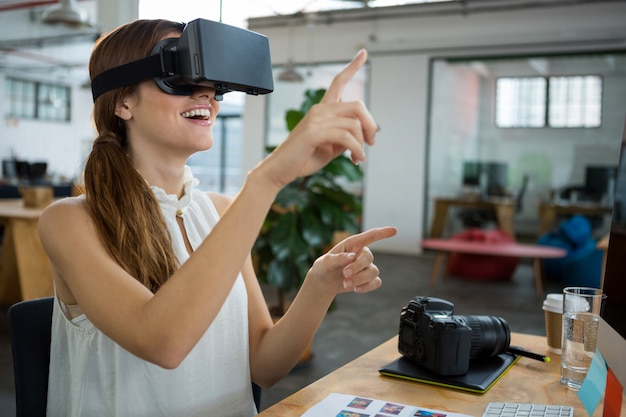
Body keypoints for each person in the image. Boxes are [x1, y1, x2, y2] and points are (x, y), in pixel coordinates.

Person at [38, 18, 397, 417]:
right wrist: (267, 178)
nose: (208, 95)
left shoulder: (218, 212)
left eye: (214, 85)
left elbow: (265, 366)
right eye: (181, 77)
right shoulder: (70, 222)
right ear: (123, 102)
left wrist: (317, 287)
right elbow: (162, 343)